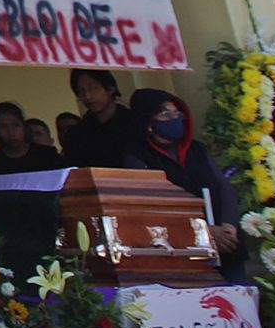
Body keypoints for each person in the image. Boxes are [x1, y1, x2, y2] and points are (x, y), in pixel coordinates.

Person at [120, 88, 244, 283]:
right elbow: (152, 203)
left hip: (226, 246)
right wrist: (205, 231)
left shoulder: (196, 149)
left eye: (177, 114)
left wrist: (228, 227)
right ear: (148, 122)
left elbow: (223, 187)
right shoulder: (137, 156)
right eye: (165, 114)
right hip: (183, 251)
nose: (174, 118)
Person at [60, 69, 135, 169]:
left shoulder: (134, 122)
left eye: (93, 88)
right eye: (81, 91)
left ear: (110, 89)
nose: (87, 96)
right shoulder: (77, 134)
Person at [0, 101, 63, 176]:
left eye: (15, 125)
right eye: (3, 127)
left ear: (24, 127)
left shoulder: (47, 155)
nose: (10, 132)